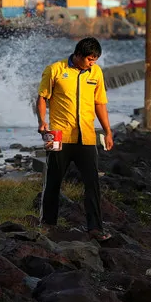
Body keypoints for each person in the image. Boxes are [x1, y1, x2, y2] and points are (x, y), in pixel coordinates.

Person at [36, 37, 115, 241]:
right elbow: (42, 97)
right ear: (78, 55)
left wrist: (107, 131)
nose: (92, 63)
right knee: (53, 181)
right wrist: (42, 122)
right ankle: (48, 225)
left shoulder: (96, 72)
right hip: (59, 134)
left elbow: (100, 103)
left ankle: (95, 228)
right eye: (90, 59)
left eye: (95, 59)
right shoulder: (54, 70)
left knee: (92, 183)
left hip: (87, 136)